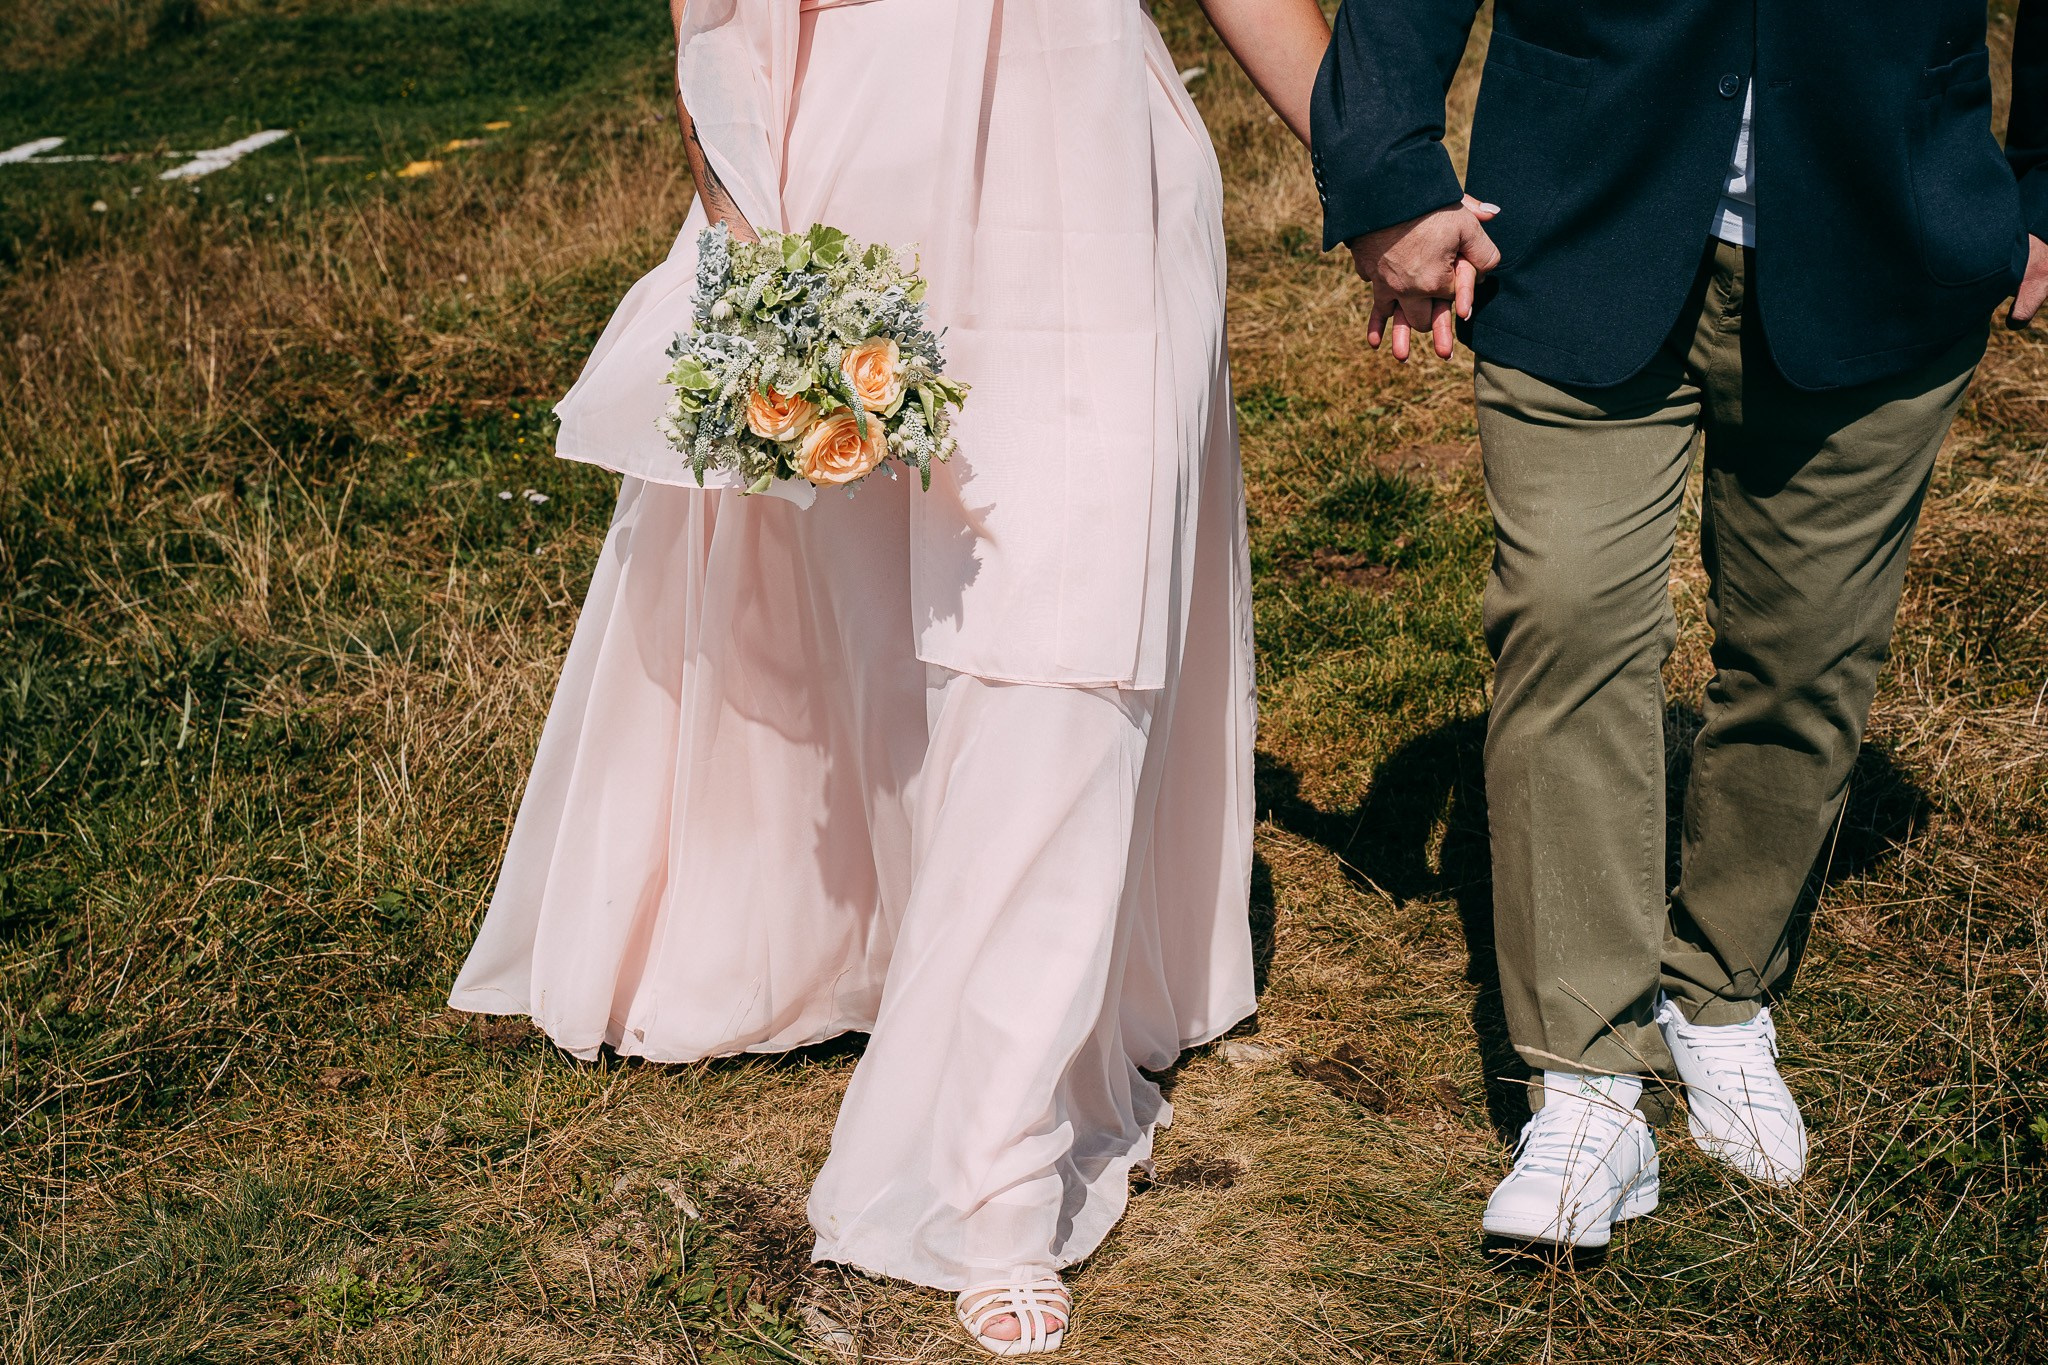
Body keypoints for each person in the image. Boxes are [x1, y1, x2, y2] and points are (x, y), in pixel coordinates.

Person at [448, 0, 1330, 1352]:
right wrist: (746, 230)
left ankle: (993, 1172)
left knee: (1068, 645)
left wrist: (1381, 165)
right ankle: (925, 970)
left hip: (1095, 170)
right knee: (893, 652)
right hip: (858, 169)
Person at [1310, 2, 2048, 1250]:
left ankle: (1718, 998)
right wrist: (1384, 167)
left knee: (1807, 654)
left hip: (1888, 227)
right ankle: (1586, 1087)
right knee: (1565, 620)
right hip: (1570, 218)